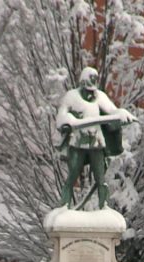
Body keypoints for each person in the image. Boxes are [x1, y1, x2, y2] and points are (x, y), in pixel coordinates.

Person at [55, 67, 136, 209]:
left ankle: (103, 206)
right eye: (87, 90)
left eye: (92, 91)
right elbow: (61, 117)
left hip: (97, 144)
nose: (90, 94)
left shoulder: (100, 97)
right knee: (71, 178)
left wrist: (121, 114)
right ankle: (64, 206)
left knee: (101, 179)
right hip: (78, 145)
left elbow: (112, 111)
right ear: (82, 84)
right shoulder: (71, 97)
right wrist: (67, 121)